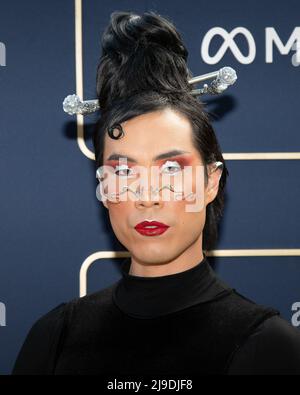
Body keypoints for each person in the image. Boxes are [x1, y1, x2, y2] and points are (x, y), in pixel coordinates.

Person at [12, 10, 300, 376]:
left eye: (171, 169)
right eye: (124, 171)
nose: (147, 197)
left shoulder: (271, 349)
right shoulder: (54, 338)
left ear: (211, 181)